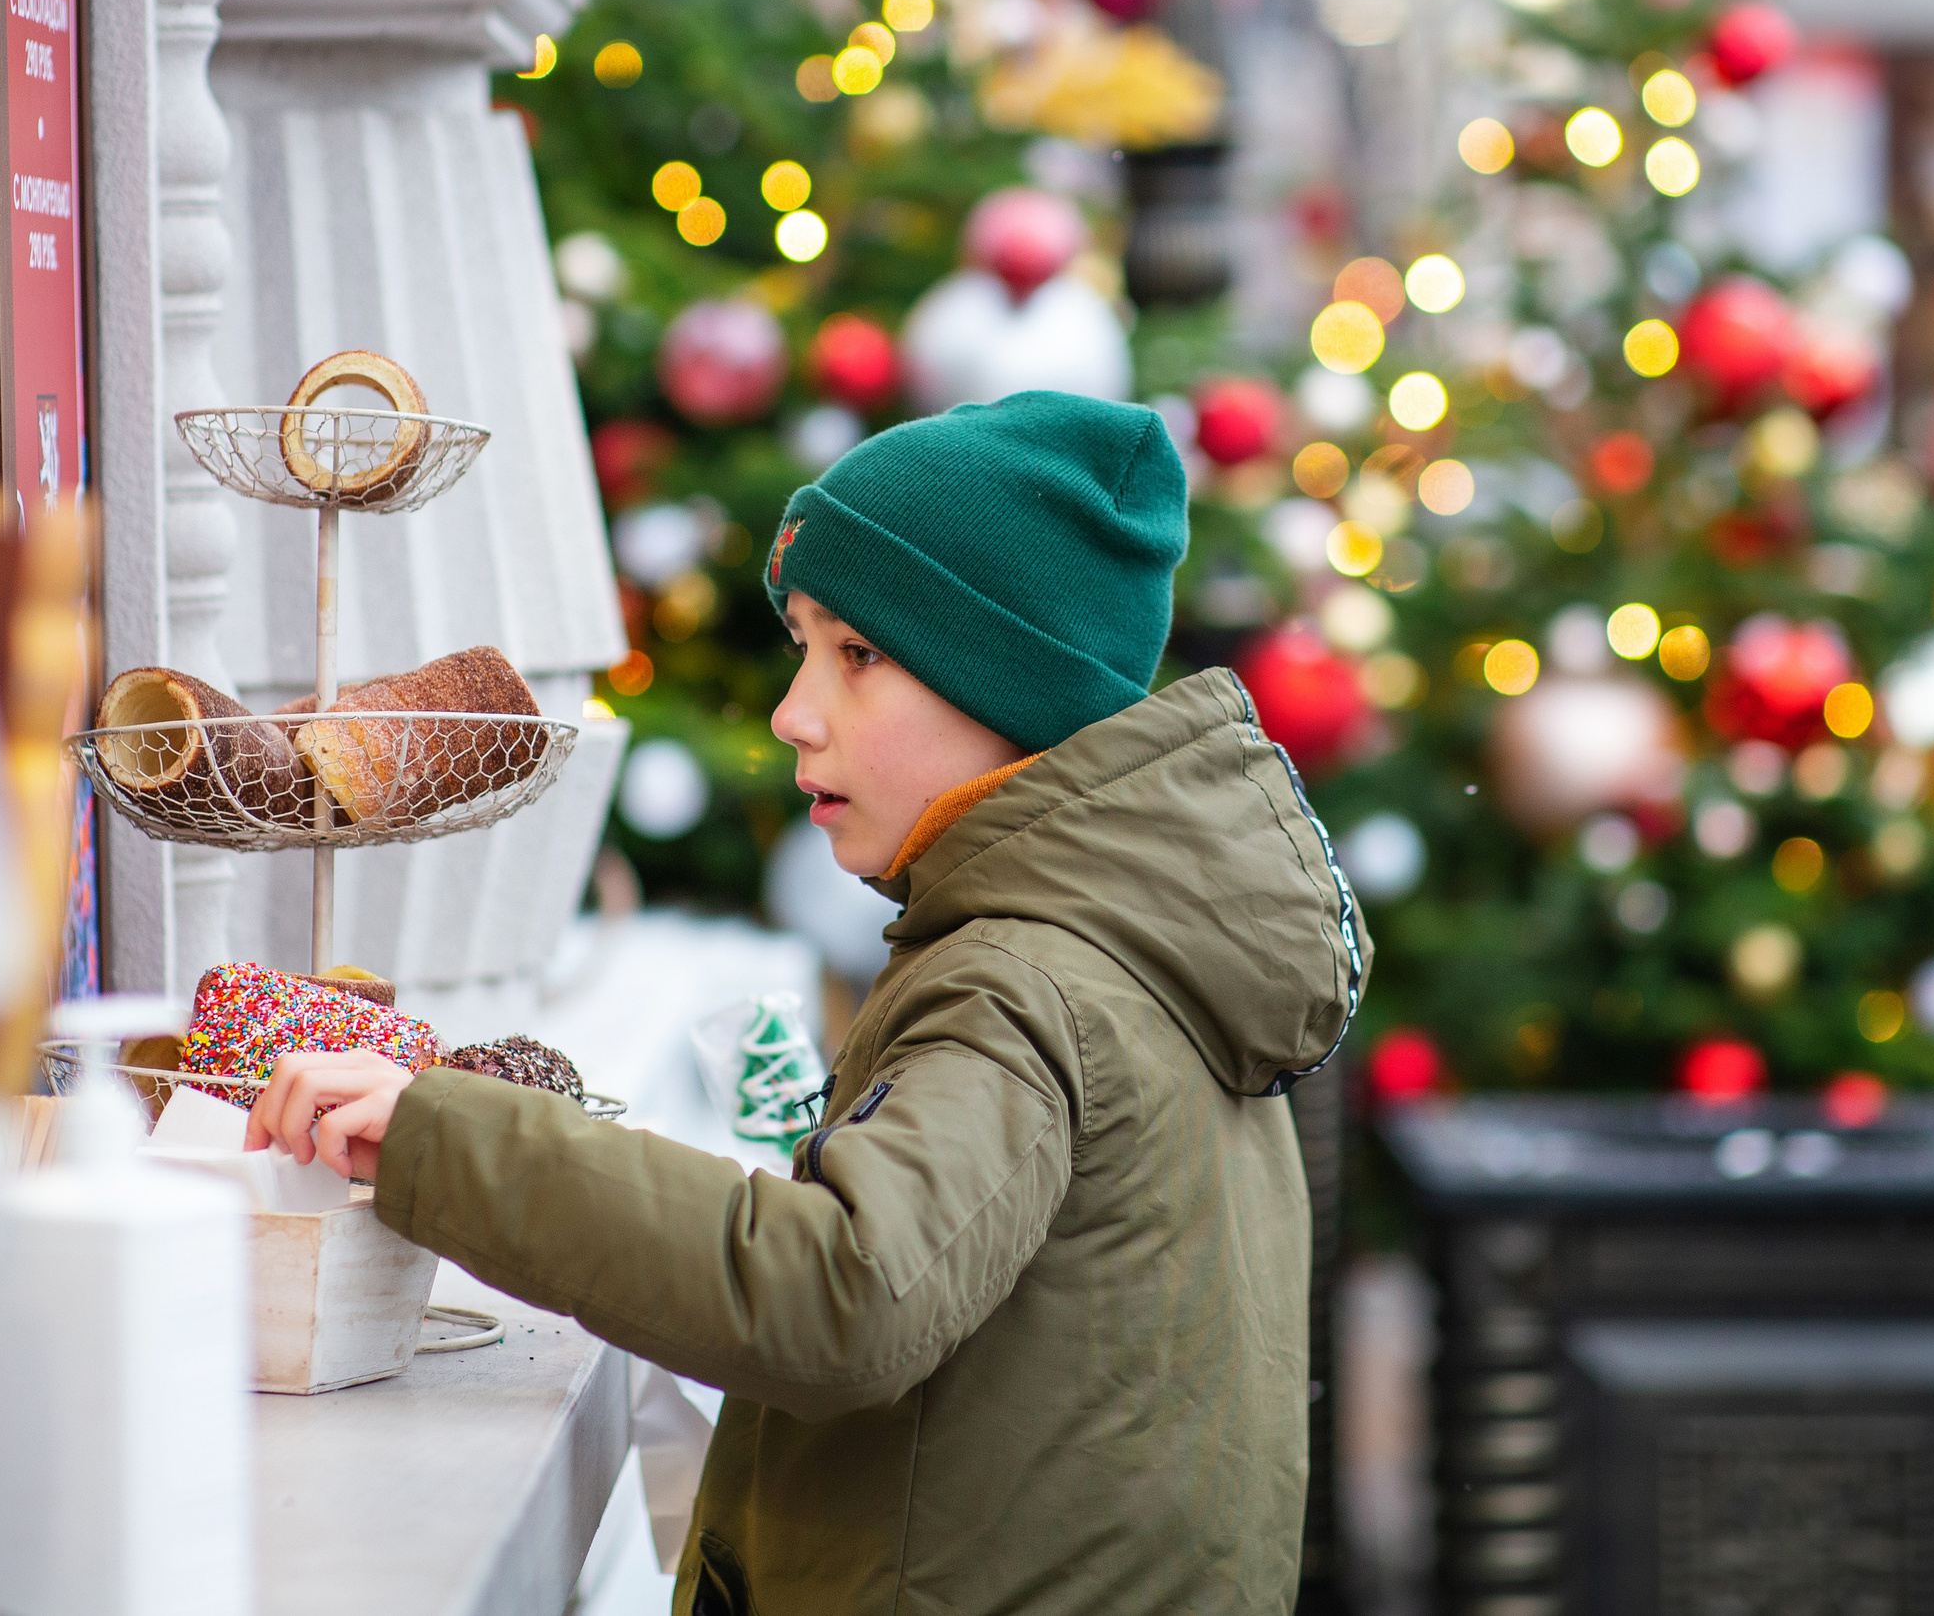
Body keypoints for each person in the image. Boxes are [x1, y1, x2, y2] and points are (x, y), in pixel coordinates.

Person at [246, 391, 1370, 1615]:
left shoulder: (1027, 982)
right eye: (800, 645)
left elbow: (841, 1292)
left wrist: (440, 1132)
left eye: (859, 654)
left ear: (1013, 687)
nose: (794, 711)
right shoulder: (1131, 939)